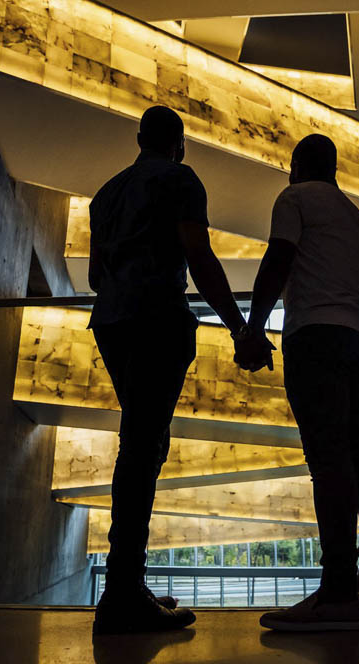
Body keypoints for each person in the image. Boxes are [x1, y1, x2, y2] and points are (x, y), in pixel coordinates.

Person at [89, 105, 270, 635]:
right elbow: (199, 254)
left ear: (139, 138)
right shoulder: (180, 178)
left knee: (141, 443)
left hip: (113, 322)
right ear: (180, 143)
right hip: (156, 321)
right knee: (144, 448)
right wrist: (240, 328)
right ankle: (122, 592)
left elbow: (98, 276)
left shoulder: (106, 194)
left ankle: (127, 583)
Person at [234, 134, 359, 632]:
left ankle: (338, 592)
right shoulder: (357, 219)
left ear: (298, 165)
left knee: (329, 461)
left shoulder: (295, 198)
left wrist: (252, 328)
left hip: (315, 337)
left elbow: (278, 261)